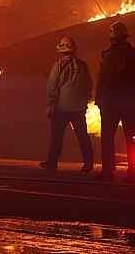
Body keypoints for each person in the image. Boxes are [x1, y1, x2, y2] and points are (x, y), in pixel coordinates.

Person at [93, 21, 135, 183]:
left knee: (108, 137)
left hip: (113, 103)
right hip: (132, 103)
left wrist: (99, 100)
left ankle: (107, 172)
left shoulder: (110, 55)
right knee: (132, 139)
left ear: (112, 38)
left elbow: (104, 79)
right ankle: (134, 173)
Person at [40, 36, 94, 172]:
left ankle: (52, 162)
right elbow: (88, 87)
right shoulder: (83, 66)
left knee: (57, 136)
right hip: (78, 108)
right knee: (82, 135)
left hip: (62, 108)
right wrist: (83, 101)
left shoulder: (58, 66)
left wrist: (50, 105)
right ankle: (88, 163)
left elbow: (52, 88)